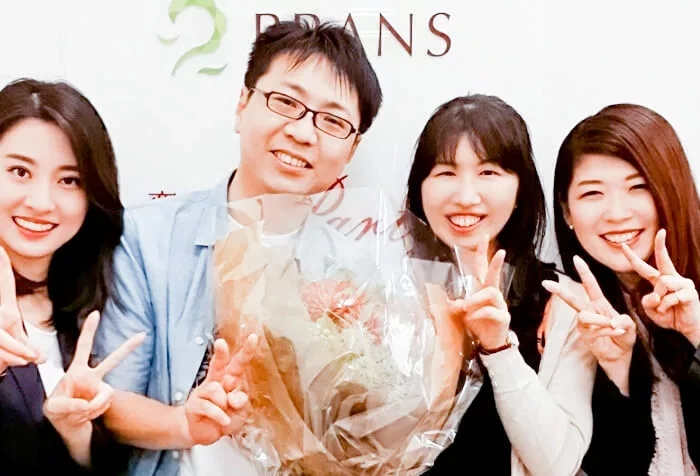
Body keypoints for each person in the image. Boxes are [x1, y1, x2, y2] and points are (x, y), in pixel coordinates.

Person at [92, 19, 383, 475]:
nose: (303, 132)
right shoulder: (148, 239)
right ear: (242, 105)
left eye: (332, 121)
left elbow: (358, 425)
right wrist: (185, 424)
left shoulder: (356, 271)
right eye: (286, 102)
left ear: (352, 148)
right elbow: (111, 400)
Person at [406, 95, 596, 475]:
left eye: (488, 172)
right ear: (420, 187)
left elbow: (558, 465)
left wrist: (498, 348)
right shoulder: (386, 289)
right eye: (445, 172)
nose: (465, 196)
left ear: (520, 189)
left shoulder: (562, 301)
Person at [0, 78, 144, 473]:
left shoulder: (94, 303)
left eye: (69, 180)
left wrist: (73, 433)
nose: (41, 202)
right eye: (19, 171)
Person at [548, 103, 700, 475]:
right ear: (567, 213)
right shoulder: (569, 315)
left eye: (638, 187)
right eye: (592, 194)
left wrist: (697, 334)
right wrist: (618, 371)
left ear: (672, 192)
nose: (617, 213)